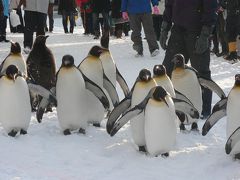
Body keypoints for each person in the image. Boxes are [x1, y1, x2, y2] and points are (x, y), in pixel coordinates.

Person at [160, 0, 218, 118]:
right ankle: (164, 103)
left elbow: (211, 7)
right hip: (178, 30)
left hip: (197, 31)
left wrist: (205, 34)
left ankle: (204, 109)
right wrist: (164, 27)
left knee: (201, 73)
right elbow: (169, 4)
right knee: (167, 71)